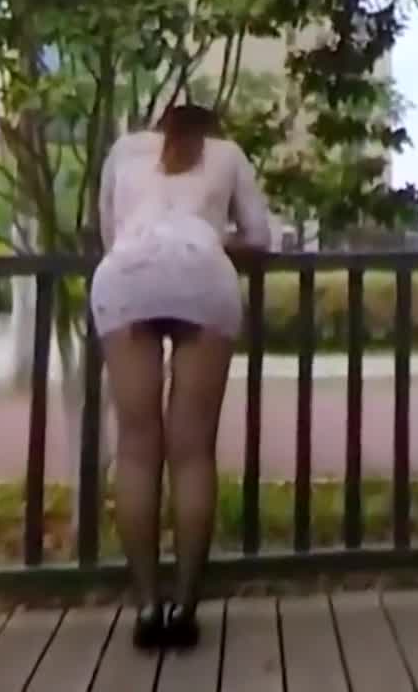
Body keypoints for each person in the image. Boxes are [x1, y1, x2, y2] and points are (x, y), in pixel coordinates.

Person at [90, 102, 273, 650]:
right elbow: (260, 237)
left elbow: (110, 233)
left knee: (136, 448)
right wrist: (213, 239)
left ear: (159, 126)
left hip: (127, 277)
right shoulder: (228, 154)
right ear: (210, 128)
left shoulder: (124, 152)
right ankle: (186, 606)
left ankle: (148, 606)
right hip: (202, 279)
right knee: (192, 451)